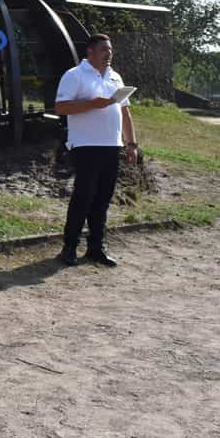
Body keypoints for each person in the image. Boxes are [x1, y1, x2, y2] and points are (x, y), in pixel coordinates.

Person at [53, 33, 139, 267]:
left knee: (103, 199)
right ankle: (69, 247)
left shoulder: (115, 77)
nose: (108, 54)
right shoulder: (75, 75)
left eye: (110, 50)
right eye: (103, 49)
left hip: (112, 145)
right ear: (90, 51)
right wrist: (93, 104)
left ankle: (96, 247)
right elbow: (60, 107)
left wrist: (131, 144)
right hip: (86, 145)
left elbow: (125, 113)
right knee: (83, 197)